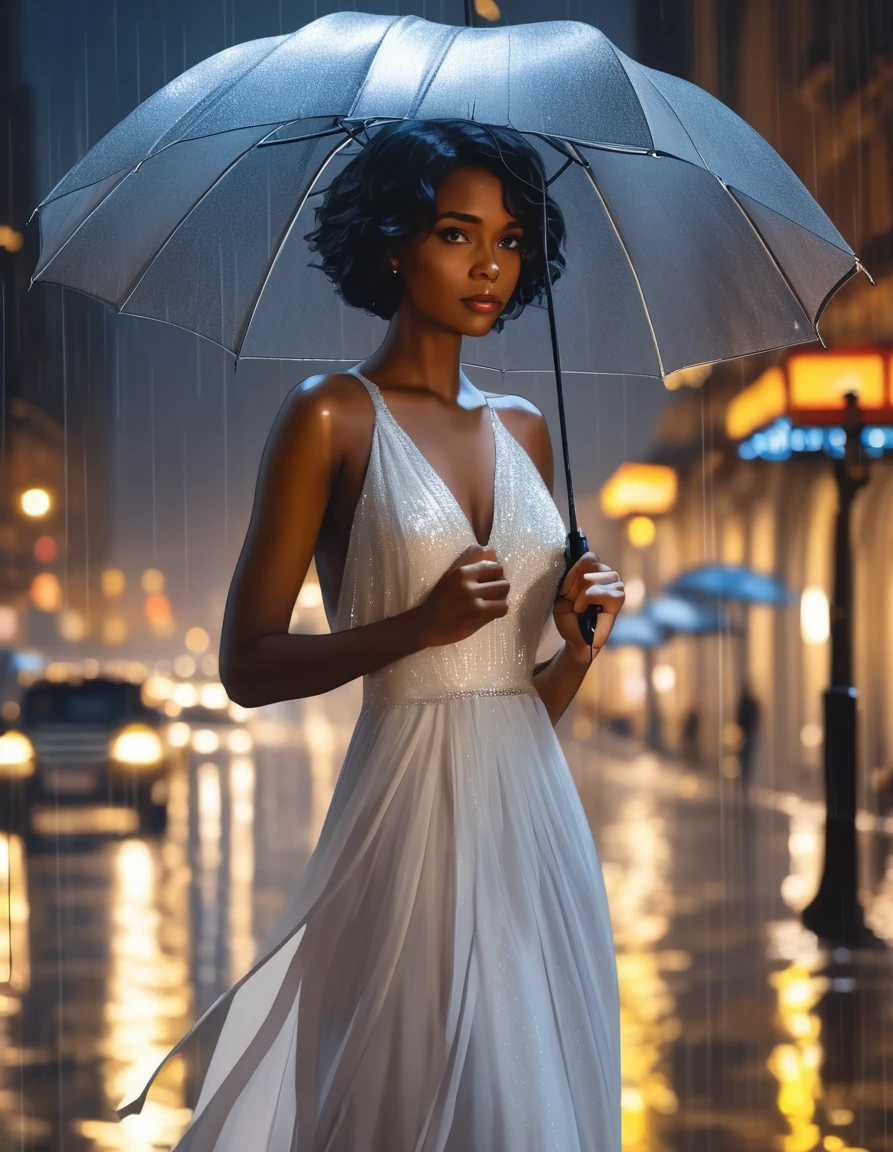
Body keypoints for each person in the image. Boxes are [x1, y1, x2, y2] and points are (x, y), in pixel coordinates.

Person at [118, 119, 625, 1150]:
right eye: (455, 232)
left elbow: (509, 696)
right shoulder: (328, 418)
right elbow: (246, 666)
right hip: (404, 815)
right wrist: (412, 626)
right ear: (392, 242)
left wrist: (573, 650)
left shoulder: (525, 427)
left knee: (528, 1105)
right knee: (411, 1094)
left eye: (512, 238)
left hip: (536, 823)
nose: (489, 262)